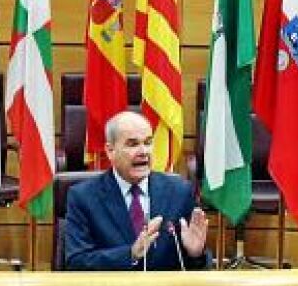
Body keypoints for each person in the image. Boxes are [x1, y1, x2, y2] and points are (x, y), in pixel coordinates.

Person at [64, 111, 210, 271]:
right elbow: (76, 262)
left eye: (148, 143)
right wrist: (131, 254)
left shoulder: (179, 192)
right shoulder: (83, 197)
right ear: (110, 150)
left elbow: (195, 266)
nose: (143, 151)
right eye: (133, 144)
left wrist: (195, 254)